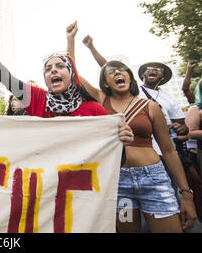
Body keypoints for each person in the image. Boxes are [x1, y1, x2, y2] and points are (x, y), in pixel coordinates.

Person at [69, 23, 197, 232]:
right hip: (119, 184)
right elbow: (73, 75)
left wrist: (186, 195)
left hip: (154, 181)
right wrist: (71, 39)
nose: (118, 72)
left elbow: (168, 151)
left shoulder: (151, 106)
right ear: (106, 83)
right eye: (111, 72)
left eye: (122, 70)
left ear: (129, 77)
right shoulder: (101, 100)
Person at [0, 24, 133, 142]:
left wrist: (122, 140)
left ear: (72, 74)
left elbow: (112, 156)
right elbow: (7, 79)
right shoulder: (38, 100)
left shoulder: (94, 110)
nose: (53, 71)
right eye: (48, 69)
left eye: (60, 66)